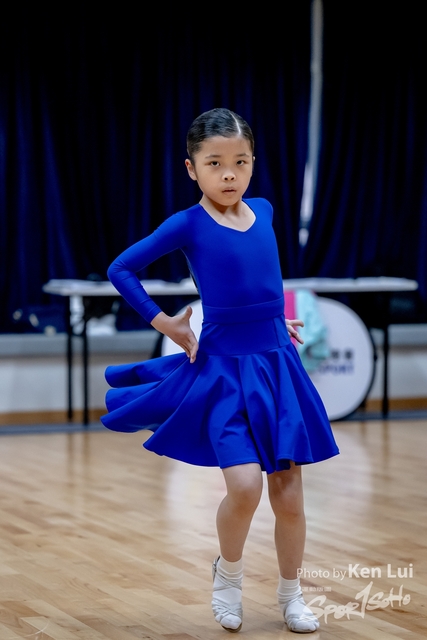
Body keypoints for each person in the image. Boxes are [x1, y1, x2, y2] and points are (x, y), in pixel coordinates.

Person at [101, 108, 339, 634]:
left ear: (253, 163)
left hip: (276, 366)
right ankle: (228, 577)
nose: (229, 174)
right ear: (192, 168)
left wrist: (276, 320)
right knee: (245, 486)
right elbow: (121, 268)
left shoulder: (266, 211)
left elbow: (260, 281)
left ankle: (291, 594)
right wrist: (165, 322)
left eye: (240, 162)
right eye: (215, 163)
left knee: (289, 493)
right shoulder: (187, 224)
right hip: (224, 373)